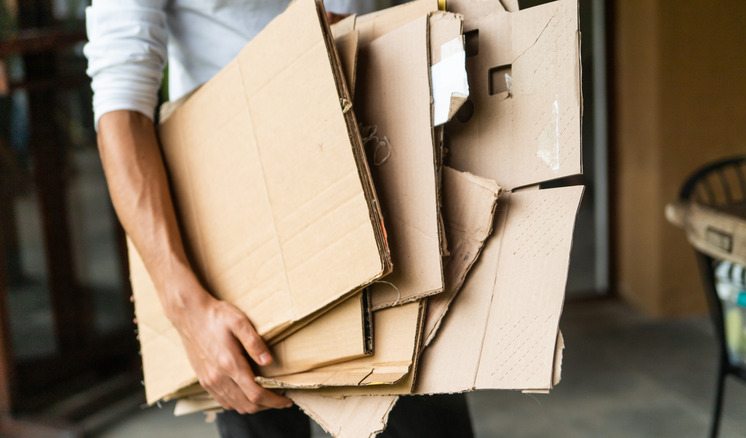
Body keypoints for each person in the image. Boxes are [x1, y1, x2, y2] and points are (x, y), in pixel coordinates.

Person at [84, 1, 473, 436]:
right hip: (244, 232)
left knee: (426, 423)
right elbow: (121, 102)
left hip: (391, 178)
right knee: (264, 414)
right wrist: (186, 308)